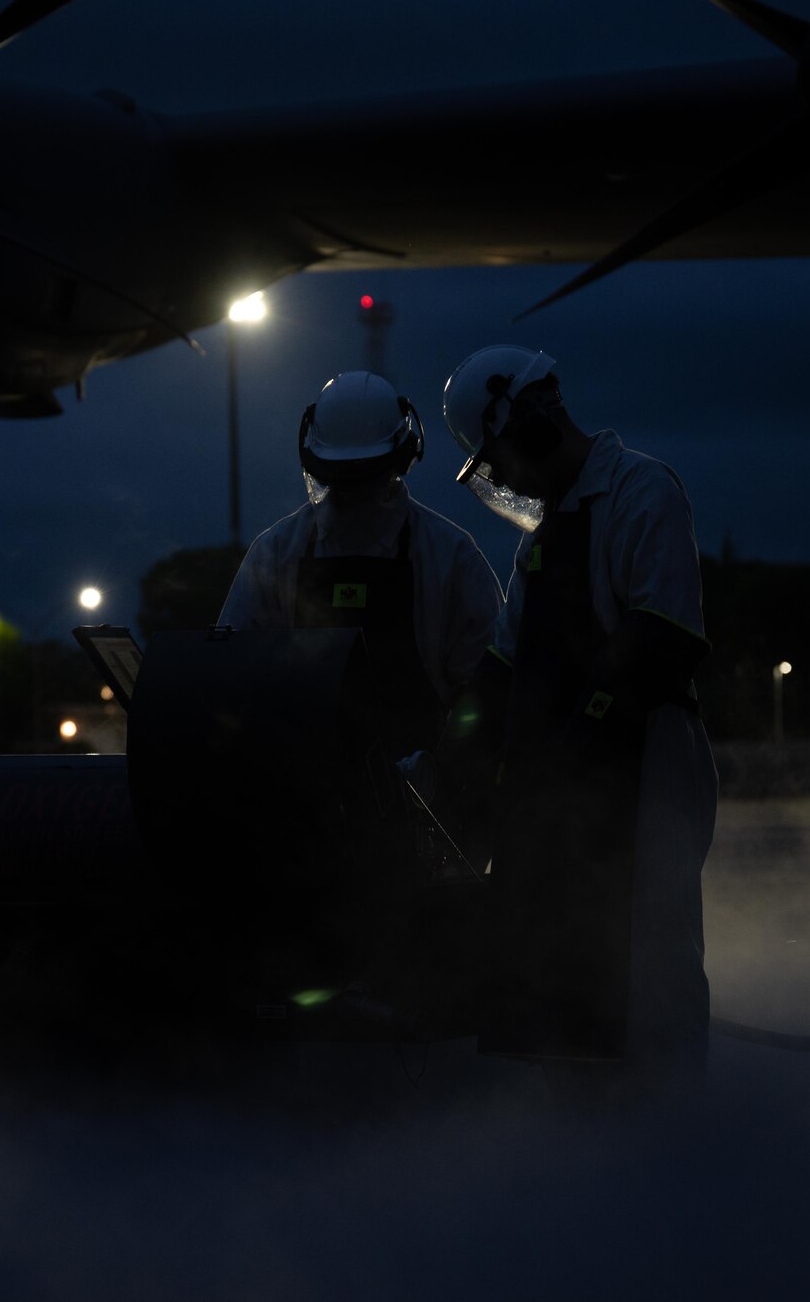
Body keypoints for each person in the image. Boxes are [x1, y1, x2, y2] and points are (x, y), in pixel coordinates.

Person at [438, 345, 717, 1081]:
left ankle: (674, 1119)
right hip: (566, 786)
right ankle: (577, 1122)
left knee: (651, 964)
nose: (509, 483)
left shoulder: (642, 491)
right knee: (561, 965)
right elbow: (503, 666)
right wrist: (445, 753)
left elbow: (661, 638)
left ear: (531, 426)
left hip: (647, 766)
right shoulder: (544, 540)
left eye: (501, 463)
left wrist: (577, 743)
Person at [218, 371, 503, 758]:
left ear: (399, 463)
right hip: (299, 785)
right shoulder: (276, 552)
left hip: (417, 796)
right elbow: (230, 674)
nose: (353, 496)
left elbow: (487, 686)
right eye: (341, 479)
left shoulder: (450, 556)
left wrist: (445, 768)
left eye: (365, 476)